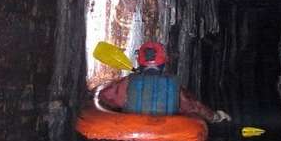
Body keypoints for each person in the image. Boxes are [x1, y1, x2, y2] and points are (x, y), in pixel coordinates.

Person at [95, 41, 231, 123]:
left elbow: (104, 97)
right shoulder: (174, 85)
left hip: (131, 135)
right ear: (164, 60)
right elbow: (194, 106)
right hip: (167, 137)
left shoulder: (128, 82)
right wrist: (215, 117)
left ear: (139, 60)